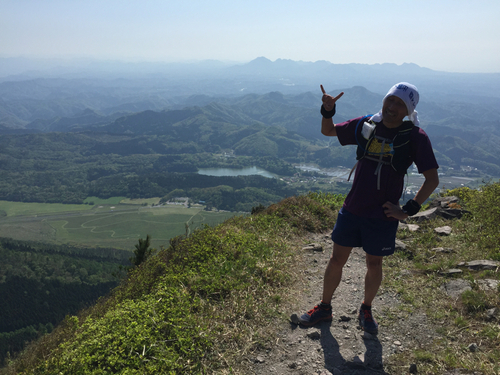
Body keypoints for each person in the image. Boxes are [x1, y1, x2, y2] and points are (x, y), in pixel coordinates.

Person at [295, 82, 439, 334]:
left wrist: (407, 210)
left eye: (400, 104)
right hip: (353, 208)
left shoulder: (415, 137)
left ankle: (366, 309)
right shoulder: (366, 125)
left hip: (382, 215)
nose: (392, 106)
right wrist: (328, 110)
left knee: (374, 264)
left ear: (409, 110)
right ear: (384, 100)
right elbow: (328, 131)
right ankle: (324, 307)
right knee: (336, 258)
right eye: (390, 100)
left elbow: (432, 178)